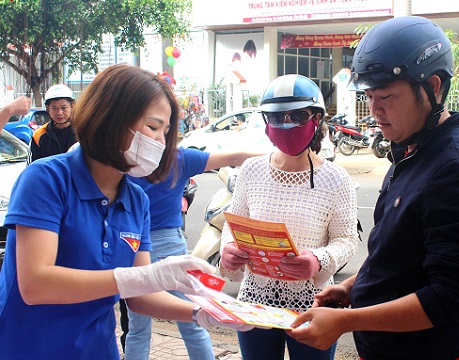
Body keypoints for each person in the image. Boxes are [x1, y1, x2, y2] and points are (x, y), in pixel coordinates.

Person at [0, 64, 253, 359]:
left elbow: (139, 297)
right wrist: (147, 276)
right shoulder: (46, 180)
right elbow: (36, 284)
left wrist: (202, 313)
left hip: (97, 348)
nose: (160, 142)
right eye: (153, 127)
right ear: (111, 119)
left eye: (166, 131)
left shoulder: (135, 199)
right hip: (30, 347)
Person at [287, 16, 459, 360]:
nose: (374, 110)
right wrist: (348, 287)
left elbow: (449, 299)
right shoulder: (412, 150)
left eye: (386, 95)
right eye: (369, 96)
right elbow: (396, 253)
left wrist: (344, 323)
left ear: (432, 87)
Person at [219, 74, 360, 360]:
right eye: (276, 117)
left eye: (297, 116)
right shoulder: (251, 170)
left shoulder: (336, 179)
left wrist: (318, 261)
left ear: (317, 120)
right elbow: (232, 227)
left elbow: (347, 240)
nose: (285, 124)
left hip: (313, 303)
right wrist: (228, 251)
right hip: (255, 301)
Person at [124, 147, 262, 360]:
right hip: (171, 246)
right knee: (194, 321)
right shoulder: (179, 157)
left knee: (138, 328)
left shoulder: (125, 157)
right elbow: (234, 156)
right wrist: (280, 158)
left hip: (133, 245)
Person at [28, 84, 77, 164]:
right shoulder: (39, 135)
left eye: (64, 108)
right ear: (48, 109)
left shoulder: (83, 131)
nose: (59, 113)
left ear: (72, 107)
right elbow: (32, 168)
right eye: (54, 108)